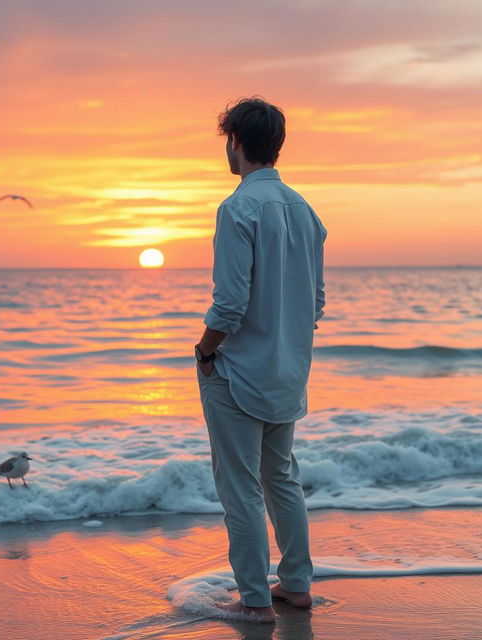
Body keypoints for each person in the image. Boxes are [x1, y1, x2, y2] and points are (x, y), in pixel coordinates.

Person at [195, 96, 327, 623]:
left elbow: (229, 303)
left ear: (236, 143)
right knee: (281, 475)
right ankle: (295, 584)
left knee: (240, 484)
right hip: (288, 369)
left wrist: (205, 350)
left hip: (239, 371)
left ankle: (253, 596)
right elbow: (315, 302)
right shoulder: (305, 209)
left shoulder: (238, 208)